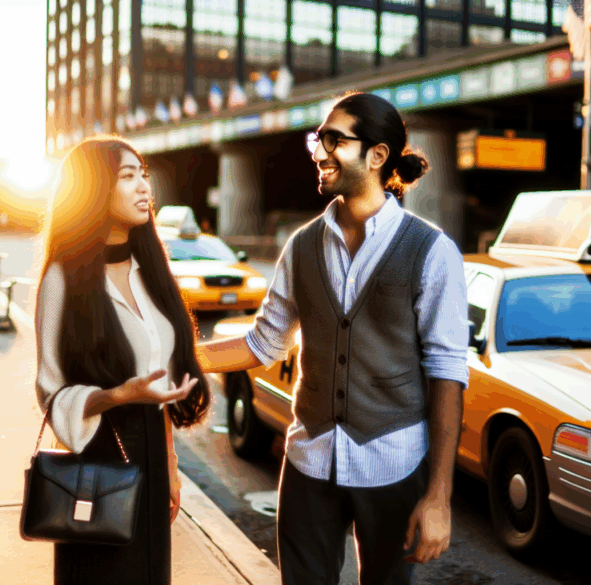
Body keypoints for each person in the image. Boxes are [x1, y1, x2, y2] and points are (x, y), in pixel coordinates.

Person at [197, 92, 469, 584]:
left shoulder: (432, 250)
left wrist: (438, 497)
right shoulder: (301, 245)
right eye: (317, 140)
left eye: (333, 140)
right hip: (308, 462)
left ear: (377, 155)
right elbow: (262, 344)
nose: (319, 153)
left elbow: (447, 372)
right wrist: (181, 357)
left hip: (393, 464)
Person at [34, 136, 210, 584]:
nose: (144, 187)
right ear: (94, 190)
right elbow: (51, 392)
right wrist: (118, 395)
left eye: (143, 175)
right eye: (128, 177)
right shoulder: (62, 278)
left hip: (152, 460)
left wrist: (170, 465)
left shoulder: (152, 271)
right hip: (97, 466)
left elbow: (162, 383)